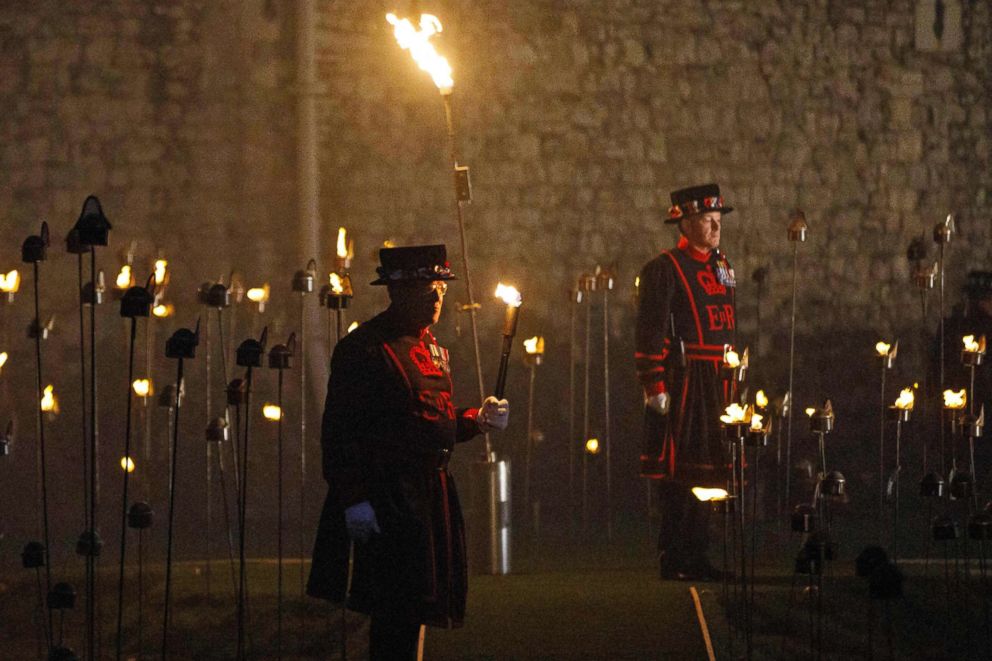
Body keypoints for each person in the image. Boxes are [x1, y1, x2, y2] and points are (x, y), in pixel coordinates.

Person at [307, 244, 510, 659]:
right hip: (390, 500)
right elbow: (340, 434)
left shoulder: (434, 349)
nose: (437, 297)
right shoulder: (363, 350)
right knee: (394, 611)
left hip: (430, 498)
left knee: (420, 607)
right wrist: (354, 501)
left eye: (441, 287)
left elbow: (432, 420)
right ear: (398, 292)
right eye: (426, 287)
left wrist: (477, 419)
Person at [635, 183, 738, 581]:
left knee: (712, 471)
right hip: (685, 381)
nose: (715, 229)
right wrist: (654, 385)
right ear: (687, 223)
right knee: (681, 472)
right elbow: (649, 331)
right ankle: (674, 555)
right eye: (707, 222)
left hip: (718, 381)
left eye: (717, 221)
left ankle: (698, 553)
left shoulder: (722, 266)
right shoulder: (663, 270)